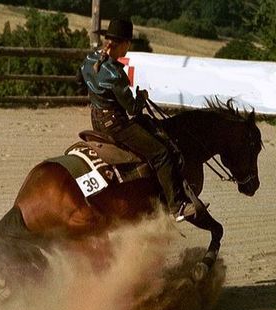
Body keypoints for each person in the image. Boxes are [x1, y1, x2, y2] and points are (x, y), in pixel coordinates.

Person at [77, 19, 196, 222]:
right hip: (117, 126)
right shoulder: (115, 73)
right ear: (123, 44)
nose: (128, 47)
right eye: (128, 43)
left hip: (96, 121)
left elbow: (80, 81)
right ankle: (176, 207)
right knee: (161, 153)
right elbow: (132, 108)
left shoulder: (90, 59)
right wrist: (142, 97)